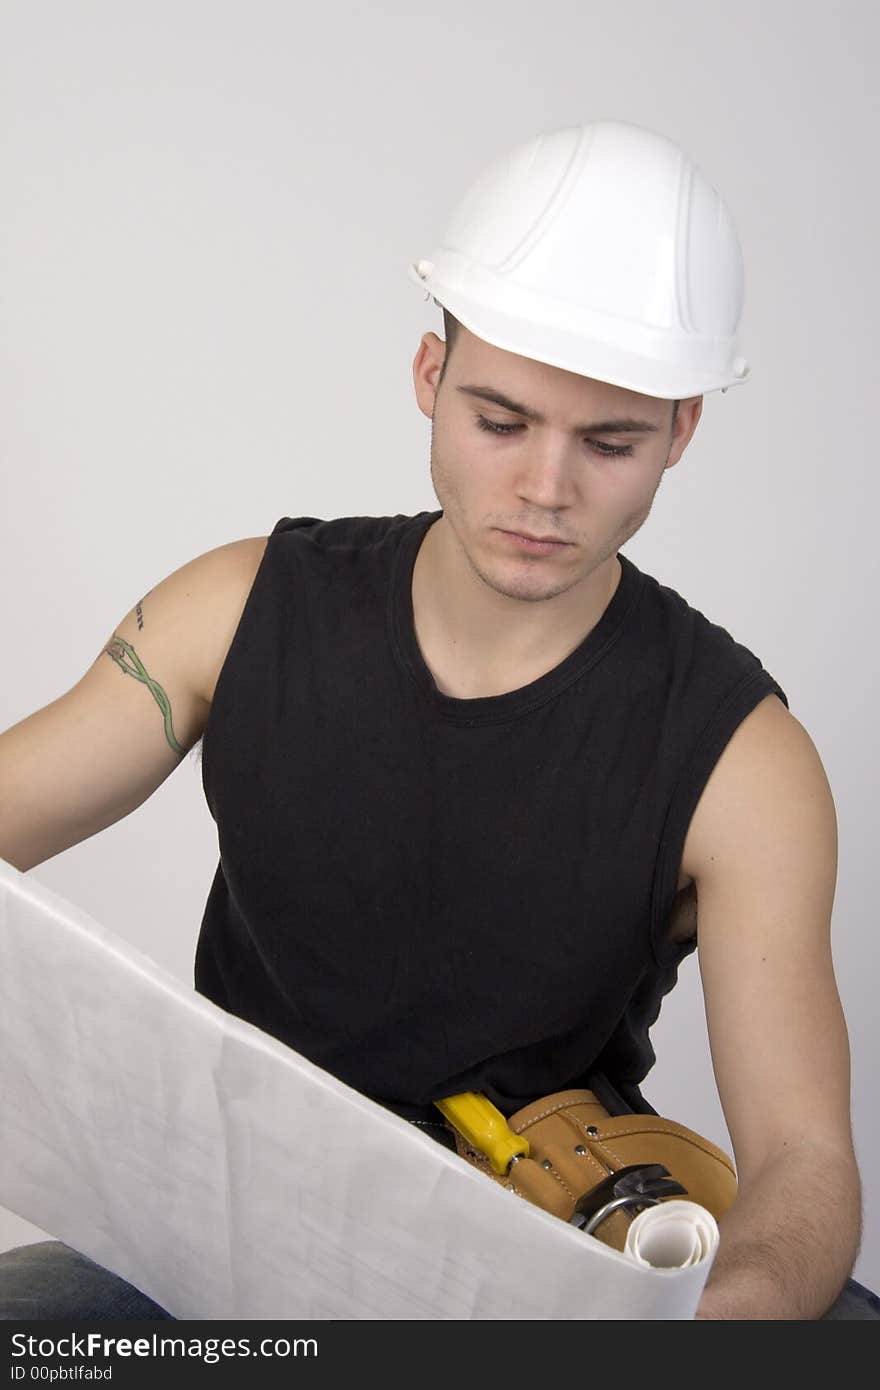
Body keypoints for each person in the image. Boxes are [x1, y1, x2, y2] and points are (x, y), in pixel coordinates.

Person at [0, 120, 876, 1321]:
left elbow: (803, 1159)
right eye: (500, 420)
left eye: (609, 441)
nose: (542, 489)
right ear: (429, 376)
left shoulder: (741, 759)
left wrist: (737, 1315)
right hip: (214, 1237)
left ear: (681, 431)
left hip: (527, 1262)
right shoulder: (238, 609)